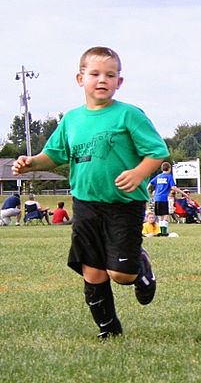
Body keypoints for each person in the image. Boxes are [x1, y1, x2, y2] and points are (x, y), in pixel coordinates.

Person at [12, 46, 167, 338]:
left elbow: (156, 153)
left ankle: (141, 265)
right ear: (80, 78)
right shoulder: (72, 119)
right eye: (94, 73)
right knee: (92, 271)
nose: (102, 80)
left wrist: (138, 173)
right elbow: (55, 154)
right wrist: (31, 163)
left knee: (121, 275)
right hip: (85, 203)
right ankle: (109, 331)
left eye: (110, 75)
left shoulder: (129, 115)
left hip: (124, 203)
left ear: (119, 82)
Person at [148, 161, 178, 233]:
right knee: (165, 215)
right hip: (163, 199)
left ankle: (160, 232)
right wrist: (183, 192)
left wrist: (147, 190)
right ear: (169, 169)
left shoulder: (158, 176)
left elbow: (150, 183)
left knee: (160, 216)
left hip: (156, 198)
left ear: (162, 169)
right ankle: (164, 232)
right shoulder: (169, 177)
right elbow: (173, 187)